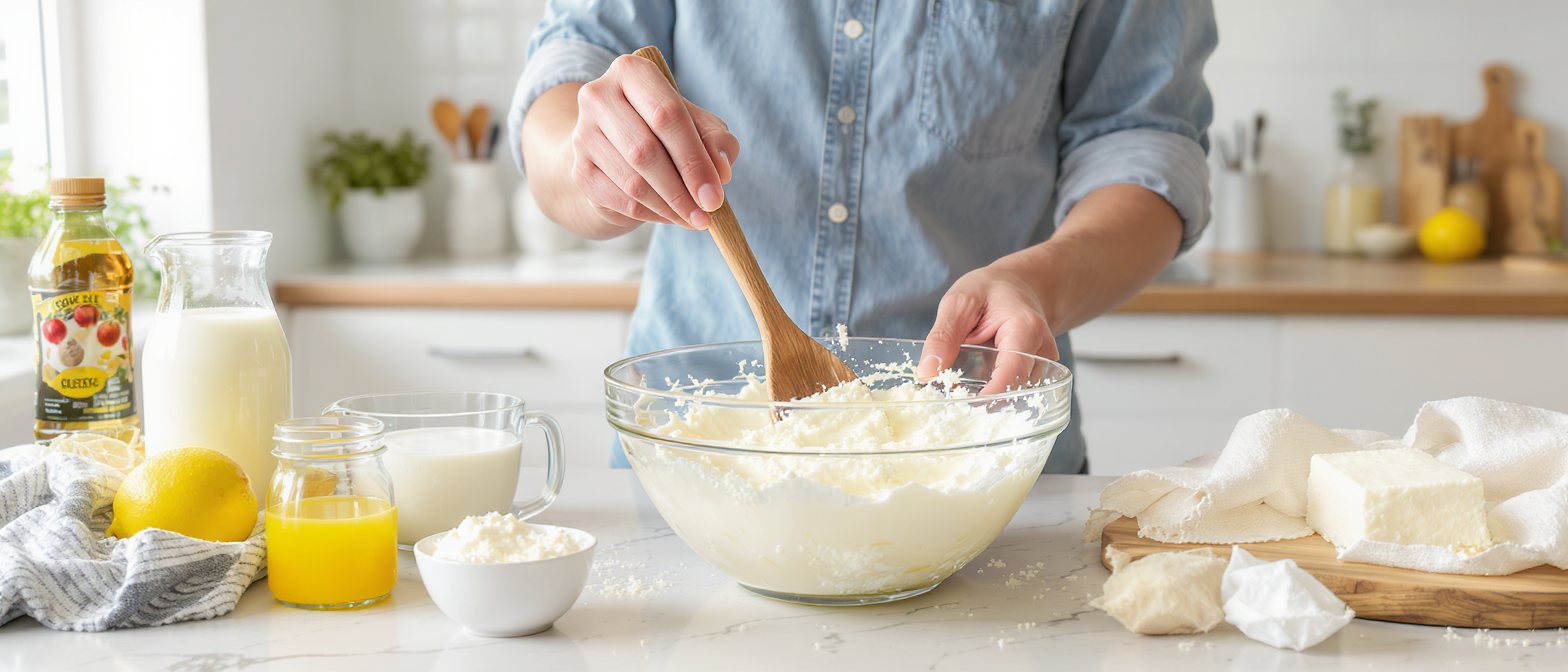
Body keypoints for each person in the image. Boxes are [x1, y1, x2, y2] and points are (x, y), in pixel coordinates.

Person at [509, 1, 1217, 473]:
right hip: (684, 462)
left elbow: (1146, 147)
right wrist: (595, 162)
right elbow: (563, 82)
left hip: (987, 459)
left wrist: (1039, 283)